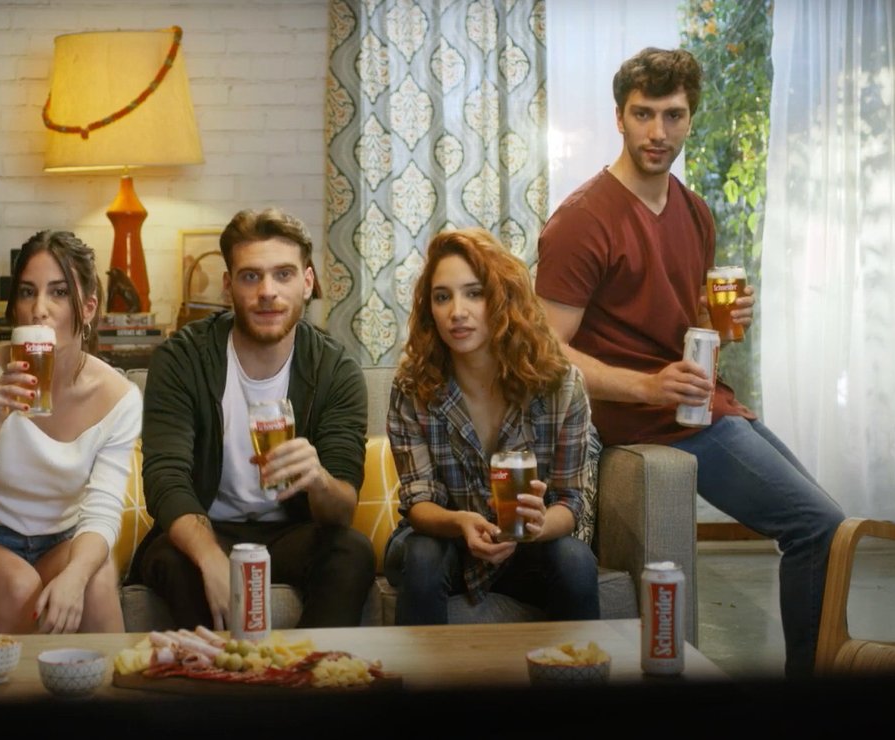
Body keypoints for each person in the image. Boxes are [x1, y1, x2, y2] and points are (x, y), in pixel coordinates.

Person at [535, 47, 844, 677]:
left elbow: (687, 326)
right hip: (646, 418)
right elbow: (545, 352)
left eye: (673, 115)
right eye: (643, 114)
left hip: (698, 403)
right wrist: (646, 388)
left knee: (829, 529)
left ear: (690, 118)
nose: (658, 131)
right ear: (619, 117)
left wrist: (722, 319)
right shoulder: (582, 220)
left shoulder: (695, 211)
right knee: (818, 526)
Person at [130, 207, 373, 631]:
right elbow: (167, 479)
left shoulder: (336, 371)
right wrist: (211, 558)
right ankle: (217, 672)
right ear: (228, 286)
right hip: (209, 526)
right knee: (172, 558)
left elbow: (341, 510)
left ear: (307, 282)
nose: (267, 292)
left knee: (352, 551)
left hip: (292, 532)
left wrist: (319, 480)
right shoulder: (183, 358)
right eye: (250, 276)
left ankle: (313, 669)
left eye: (283, 274)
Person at [385, 228, 600, 625]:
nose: (457, 312)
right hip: (448, 539)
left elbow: (571, 502)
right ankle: (418, 666)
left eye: (474, 293)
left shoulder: (560, 384)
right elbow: (418, 502)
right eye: (442, 297)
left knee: (575, 559)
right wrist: (460, 522)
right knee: (422, 555)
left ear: (503, 299)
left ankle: (576, 663)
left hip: (529, 546)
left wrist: (536, 526)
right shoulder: (413, 386)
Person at [0, 230, 138, 634]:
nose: (39, 309)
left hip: (59, 542)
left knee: (94, 577)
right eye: (27, 292)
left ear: (88, 307)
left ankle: (120, 677)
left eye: (59, 292)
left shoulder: (119, 397)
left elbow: (101, 512)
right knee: (18, 583)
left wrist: (75, 576)